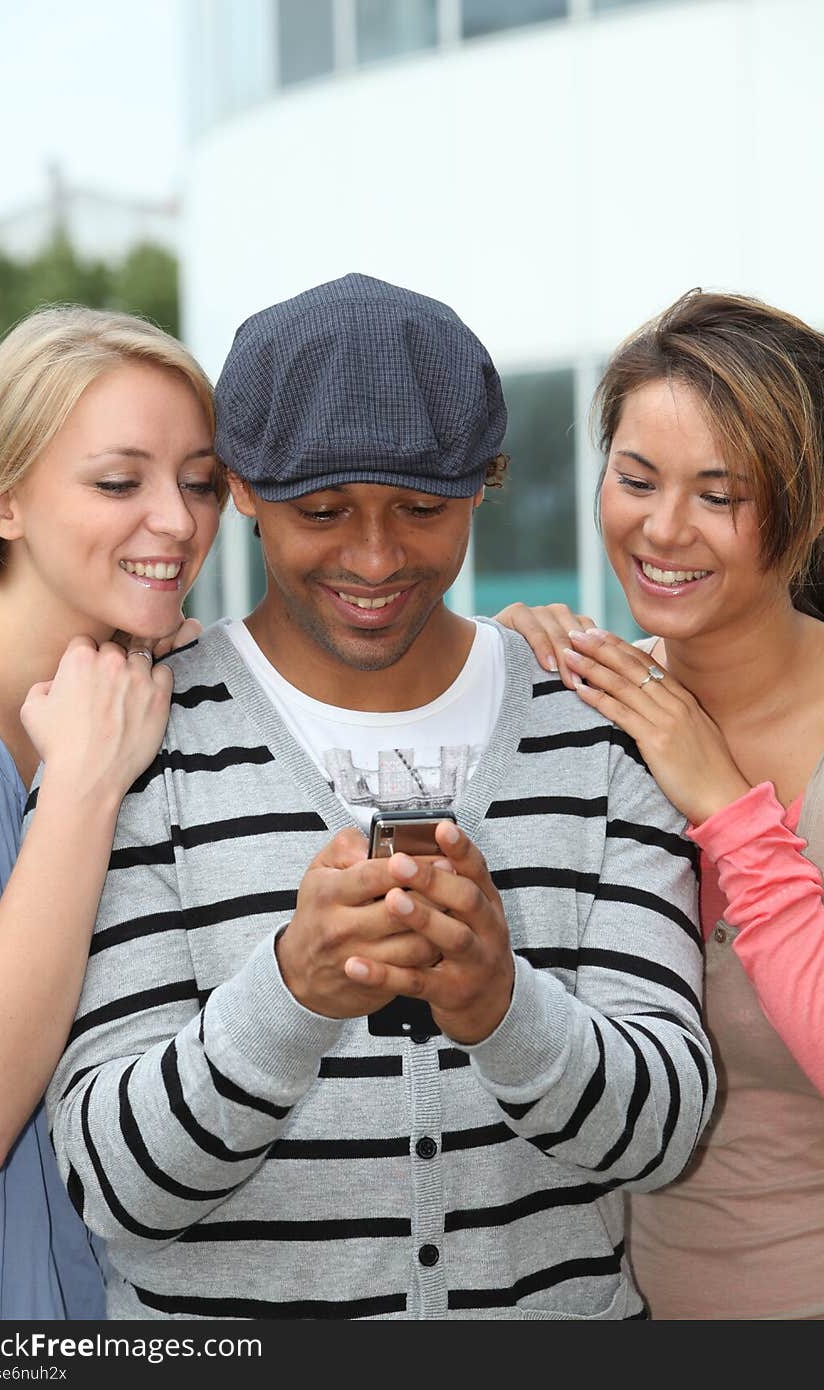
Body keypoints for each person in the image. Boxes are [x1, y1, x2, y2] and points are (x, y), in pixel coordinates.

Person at [45, 272, 714, 1322]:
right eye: (321, 511)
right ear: (243, 493)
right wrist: (289, 994)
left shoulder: (602, 729)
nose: (372, 557)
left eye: (419, 509)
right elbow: (113, 1184)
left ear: (484, 484)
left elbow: (662, 1135)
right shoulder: (130, 741)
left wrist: (503, 1007)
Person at [495, 288, 824, 1319]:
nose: (662, 527)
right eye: (635, 479)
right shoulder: (585, 705)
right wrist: (486, 678)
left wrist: (723, 803)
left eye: (717, 494)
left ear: (807, 512)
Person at [0, 304, 226, 1319]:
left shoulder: (165, 682)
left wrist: (515, 640)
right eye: (120, 480)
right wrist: (83, 785)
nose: (179, 519)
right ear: (4, 499)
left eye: (200, 481)